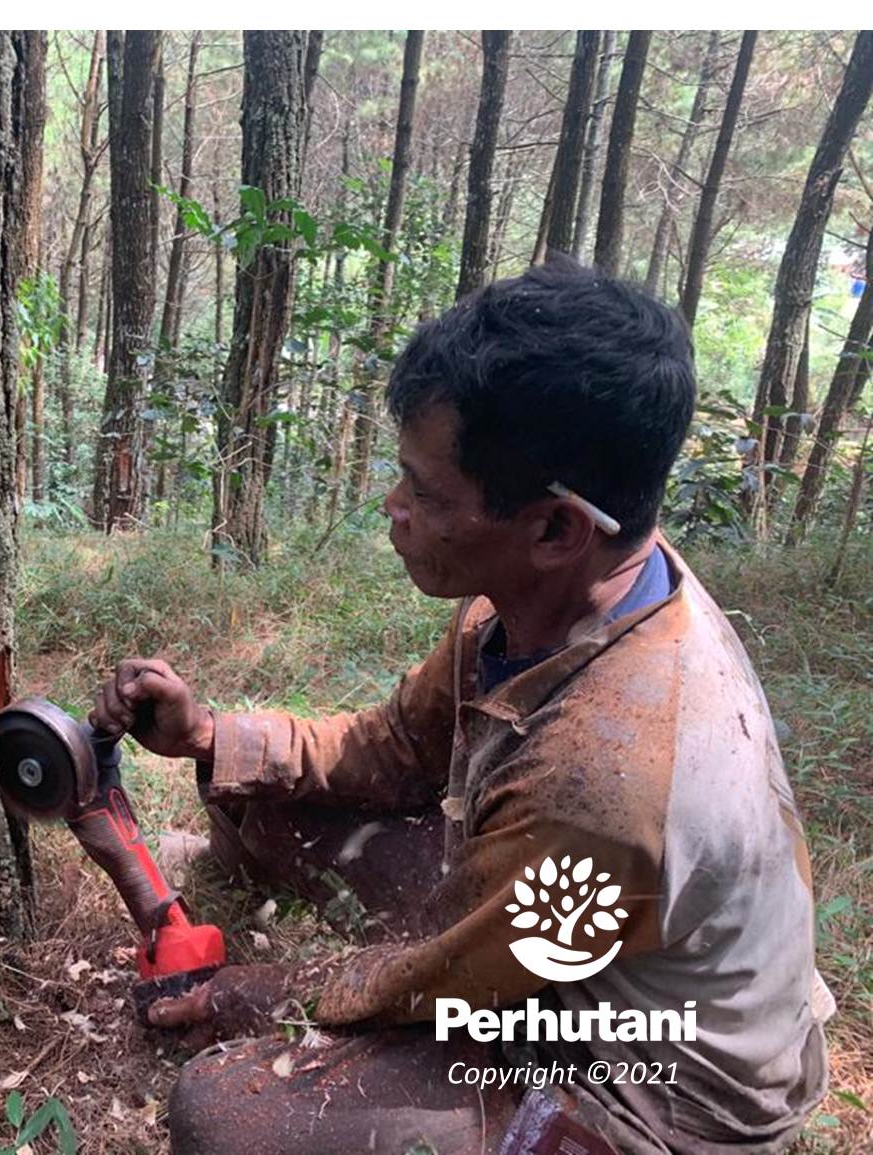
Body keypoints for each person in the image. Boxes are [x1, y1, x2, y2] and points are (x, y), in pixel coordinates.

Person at [90, 260, 831, 1155]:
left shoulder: (608, 773)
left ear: (556, 528)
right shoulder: (548, 596)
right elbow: (393, 748)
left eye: (428, 494)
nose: (393, 507)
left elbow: (452, 982)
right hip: (545, 931)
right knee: (250, 787)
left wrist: (243, 993)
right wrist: (209, 736)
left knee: (224, 1113)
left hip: (644, 1077)